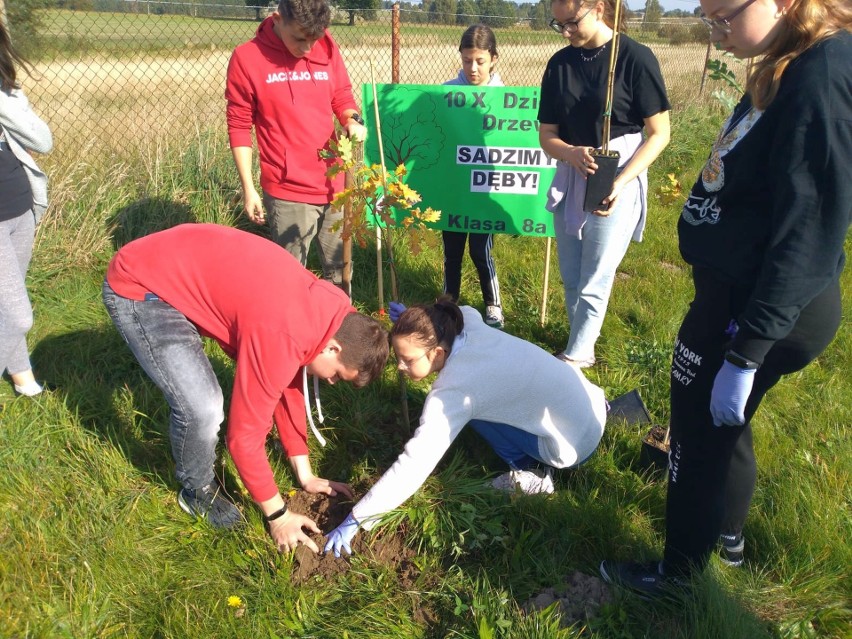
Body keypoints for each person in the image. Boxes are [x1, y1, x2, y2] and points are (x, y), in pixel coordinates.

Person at [599, 0, 852, 596]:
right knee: (725, 423)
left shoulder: (822, 73)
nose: (716, 31)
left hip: (752, 307)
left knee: (694, 433)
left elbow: (810, 226)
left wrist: (746, 351)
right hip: (739, 294)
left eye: (724, 17)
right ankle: (728, 539)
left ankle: (679, 574)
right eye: (708, 18)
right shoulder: (788, 59)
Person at [102, 224, 389, 554]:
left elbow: (285, 377)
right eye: (338, 376)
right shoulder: (284, 332)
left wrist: (305, 474)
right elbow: (243, 438)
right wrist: (278, 515)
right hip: (143, 287)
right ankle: (196, 491)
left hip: (176, 267)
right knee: (204, 408)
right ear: (334, 349)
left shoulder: (330, 311)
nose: (332, 382)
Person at [324, 298, 608, 557]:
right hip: (589, 406)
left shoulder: (453, 392)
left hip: (573, 446)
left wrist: (358, 517)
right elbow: (456, 310)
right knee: (487, 403)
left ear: (437, 352)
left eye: (408, 359)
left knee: (475, 412)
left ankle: (533, 474)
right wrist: (414, 313)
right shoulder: (466, 320)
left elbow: (415, 463)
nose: (399, 366)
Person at [538, 0, 671, 368]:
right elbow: (546, 135)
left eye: (571, 22)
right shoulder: (559, 65)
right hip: (573, 173)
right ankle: (580, 341)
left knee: (596, 274)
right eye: (558, 24)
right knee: (571, 274)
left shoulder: (635, 58)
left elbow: (659, 133)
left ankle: (576, 358)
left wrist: (622, 180)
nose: (566, 32)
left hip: (616, 176)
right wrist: (570, 153)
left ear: (598, 8)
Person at [225, 0, 367, 294]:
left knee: (340, 271)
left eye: (314, 40)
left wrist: (351, 119)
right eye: (300, 39)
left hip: (334, 181)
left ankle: (339, 332)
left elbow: (341, 95)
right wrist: (249, 189)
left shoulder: (326, 46)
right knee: (288, 279)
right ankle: (293, 338)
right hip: (289, 189)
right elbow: (239, 126)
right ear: (278, 19)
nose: (307, 48)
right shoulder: (248, 58)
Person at [0, 21, 53, 398]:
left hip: (20, 206)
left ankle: (21, 376)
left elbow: (41, 140)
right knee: (18, 315)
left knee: (8, 302)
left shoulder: (6, 90)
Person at [441, 24, 506, 329]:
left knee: (481, 250)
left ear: (494, 58)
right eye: (467, 60)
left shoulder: (506, 100)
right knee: (451, 251)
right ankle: (448, 303)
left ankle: (493, 305)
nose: (473, 68)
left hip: (485, 192)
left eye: (480, 61)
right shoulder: (447, 92)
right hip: (454, 190)